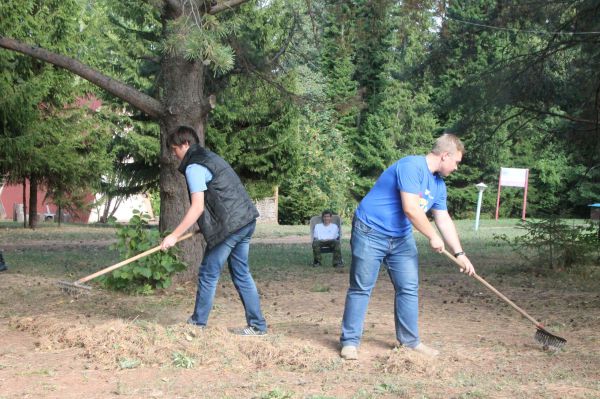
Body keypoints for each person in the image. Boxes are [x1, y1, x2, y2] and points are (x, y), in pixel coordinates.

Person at [339, 133, 475, 360]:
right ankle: (350, 342)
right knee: (361, 287)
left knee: (408, 288)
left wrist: (459, 253)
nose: (457, 168)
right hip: (370, 230)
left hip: (400, 238)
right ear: (445, 156)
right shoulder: (411, 166)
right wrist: (433, 237)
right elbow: (411, 209)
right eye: (456, 162)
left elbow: (443, 218)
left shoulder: (438, 184)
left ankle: (410, 342)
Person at [160, 126, 267, 336]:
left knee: (208, 272)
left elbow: (198, 206)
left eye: (175, 149)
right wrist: (207, 224)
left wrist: (173, 236)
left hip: (230, 227)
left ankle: (197, 325)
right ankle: (257, 326)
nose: (174, 154)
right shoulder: (210, 158)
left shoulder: (194, 167)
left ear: (185, 145)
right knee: (242, 273)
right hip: (244, 220)